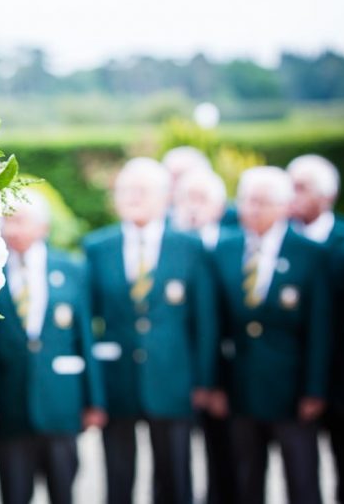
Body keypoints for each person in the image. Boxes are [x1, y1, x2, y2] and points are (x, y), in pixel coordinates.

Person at [84, 158, 217, 504]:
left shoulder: (189, 246)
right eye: (125, 190)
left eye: (141, 190)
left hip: (173, 377)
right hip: (119, 378)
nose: (132, 197)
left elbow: (204, 322)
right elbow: (88, 322)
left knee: (176, 475)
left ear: (164, 196)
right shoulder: (97, 247)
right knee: (117, 475)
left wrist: (204, 380)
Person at [0, 192, 105, 504]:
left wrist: (94, 401)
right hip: (10, 408)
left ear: (42, 227)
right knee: (13, 492)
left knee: (64, 489)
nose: (11, 229)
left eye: (20, 220)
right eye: (7, 220)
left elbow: (86, 338)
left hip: (61, 405)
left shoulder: (71, 268)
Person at [210, 166, 331, 504]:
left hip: (291, 390)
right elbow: (214, 325)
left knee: (301, 475)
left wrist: (315, 389)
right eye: (247, 200)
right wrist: (216, 383)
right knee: (245, 476)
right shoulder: (225, 250)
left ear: (283, 206)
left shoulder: (309, 253)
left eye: (263, 201)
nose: (253, 208)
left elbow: (320, 330)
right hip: (241, 386)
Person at [172, 168, 237, 504]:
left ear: (220, 205)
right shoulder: (169, 245)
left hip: (226, 371)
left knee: (225, 453)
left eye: (202, 199)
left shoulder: (231, 245)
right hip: (177, 371)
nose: (193, 207)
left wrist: (214, 382)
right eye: (187, 199)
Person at [288, 154, 344, 502]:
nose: (292, 195)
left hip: (340, 379)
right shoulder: (274, 240)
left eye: (301, 187)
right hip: (290, 380)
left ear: (327, 195)